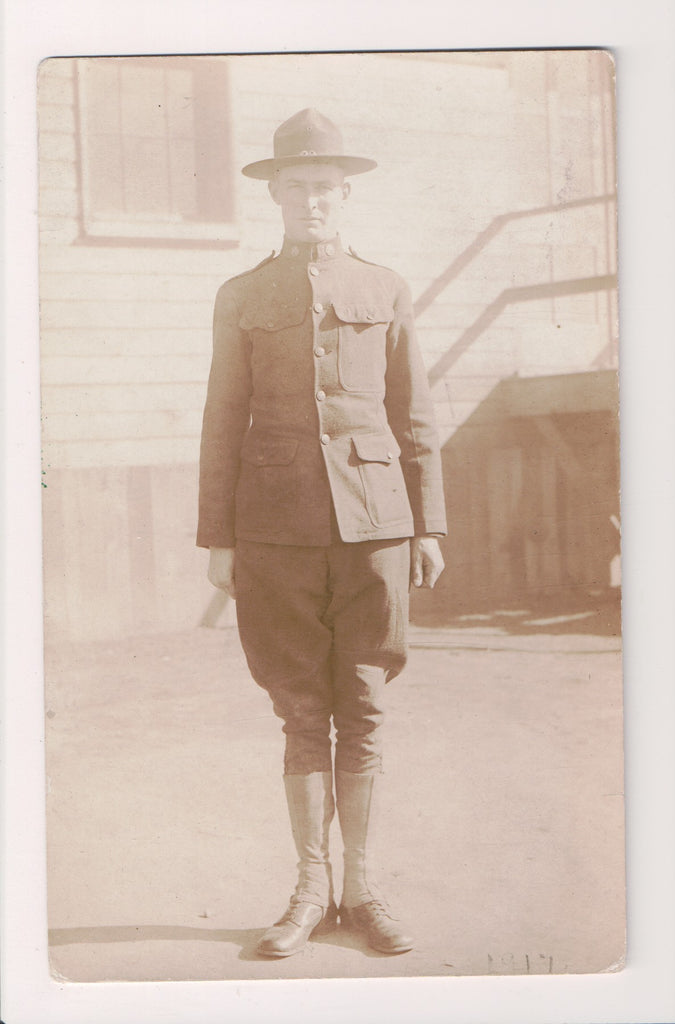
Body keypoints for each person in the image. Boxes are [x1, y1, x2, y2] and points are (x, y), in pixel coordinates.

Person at [197, 108, 447, 958]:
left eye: (324, 190)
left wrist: (428, 524)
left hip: (375, 526)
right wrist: (217, 537)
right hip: (272, 531)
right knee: (301, 709)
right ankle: (310, 888)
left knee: (365, 706)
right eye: (295, 187)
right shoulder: (241, 296)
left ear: (346, 197)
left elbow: (414, 412)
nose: (311, 202)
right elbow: (221, 419)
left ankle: (363, 887)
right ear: (275, 195)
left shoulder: (385, 288)